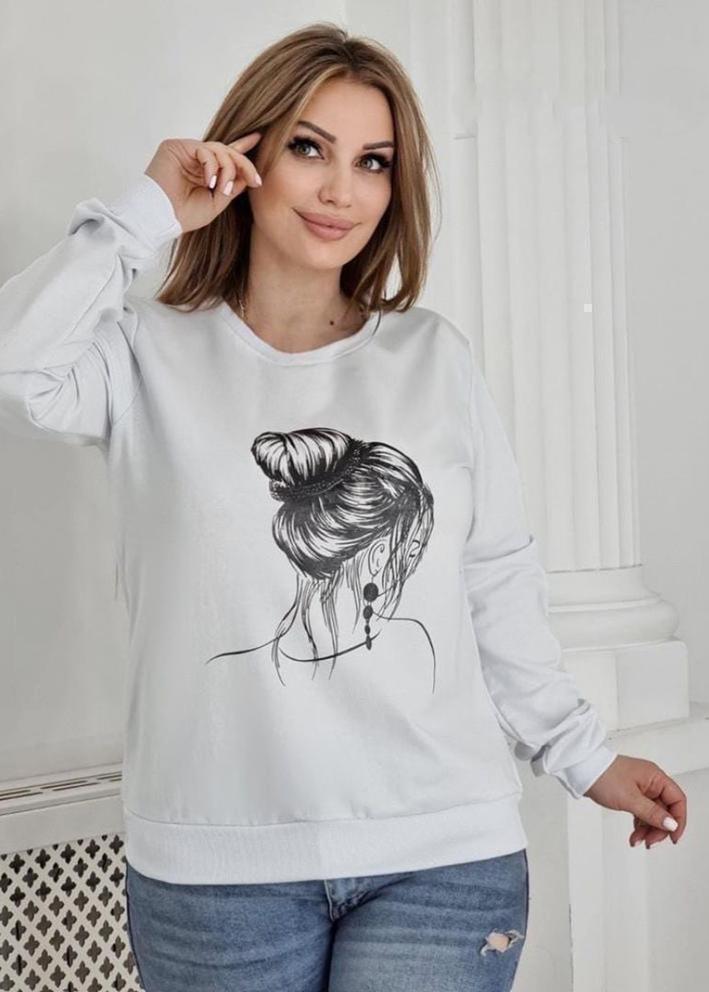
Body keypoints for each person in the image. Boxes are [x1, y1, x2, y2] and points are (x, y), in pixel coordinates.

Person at [0, 20, 686, 992]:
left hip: (441, 855)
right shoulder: (144, 353)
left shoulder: (430, 357)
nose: (340, 190)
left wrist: (580, 753)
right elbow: (16, 369)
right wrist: (146, 211)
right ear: (247, 155)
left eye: (372, 161)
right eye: (309, 148)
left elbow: (493, 576)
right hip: (215, 866)